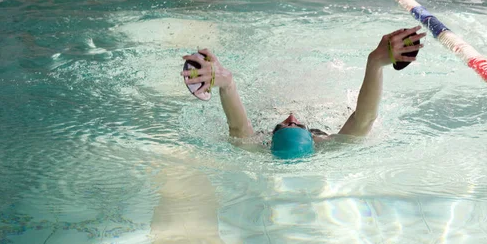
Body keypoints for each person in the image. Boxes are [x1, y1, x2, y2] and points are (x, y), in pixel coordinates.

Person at [181, 26, 425, 158]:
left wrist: (226, 81)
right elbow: (365, 118)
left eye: (284, 125)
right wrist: (375, 62)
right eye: (297, 125)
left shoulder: (255, 147)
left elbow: (239, 128)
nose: (291, 117)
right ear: (315, 139)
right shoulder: (330, 144)